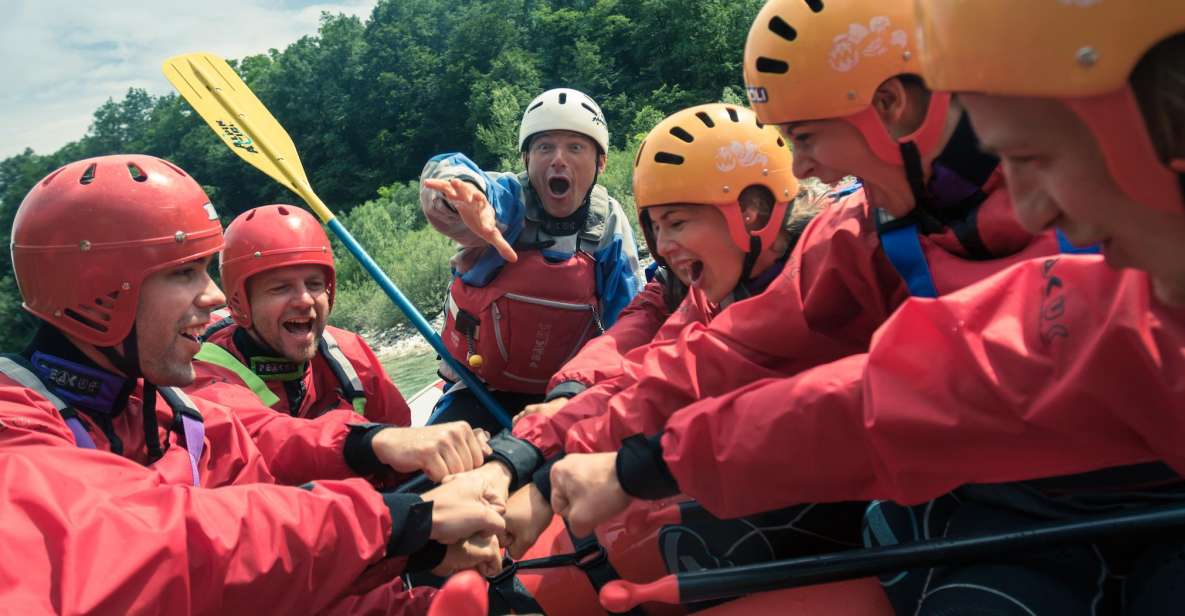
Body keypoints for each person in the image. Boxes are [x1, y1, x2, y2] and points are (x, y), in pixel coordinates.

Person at [553, 1, 1185, 613]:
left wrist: (640, 463)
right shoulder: (857, 236)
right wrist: (539, 441)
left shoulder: (872, 235)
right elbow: (701, 352)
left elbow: (916, 389)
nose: (799, 168)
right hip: (1012, 508)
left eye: (1031, 157)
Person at [0, 154, 505, 613]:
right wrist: (399, 522)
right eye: (184, 273)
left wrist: (414, 590)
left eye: (207, 271)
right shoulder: (14, 430)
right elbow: (152, 542)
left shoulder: (177, 417)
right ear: (101, 290)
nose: (212, 297)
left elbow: (283, 577)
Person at [188, 204, 489, 486]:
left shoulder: (349, 354)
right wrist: (373, 442)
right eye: (280, 288)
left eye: (314, 284)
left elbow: (399, 451)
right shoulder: (200, 370)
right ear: (240, 302)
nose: (305, 299)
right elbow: (265, 436)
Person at [419, 87, 643, 433]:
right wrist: (459, 194)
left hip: (568, 394)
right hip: (481, 390)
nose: (558, 159)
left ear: (601, 161)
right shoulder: (508, 203)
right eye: (544, 147)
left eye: (575, 147)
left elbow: (629, 323)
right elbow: (462, 179)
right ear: (526, 159)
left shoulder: (608, 226)